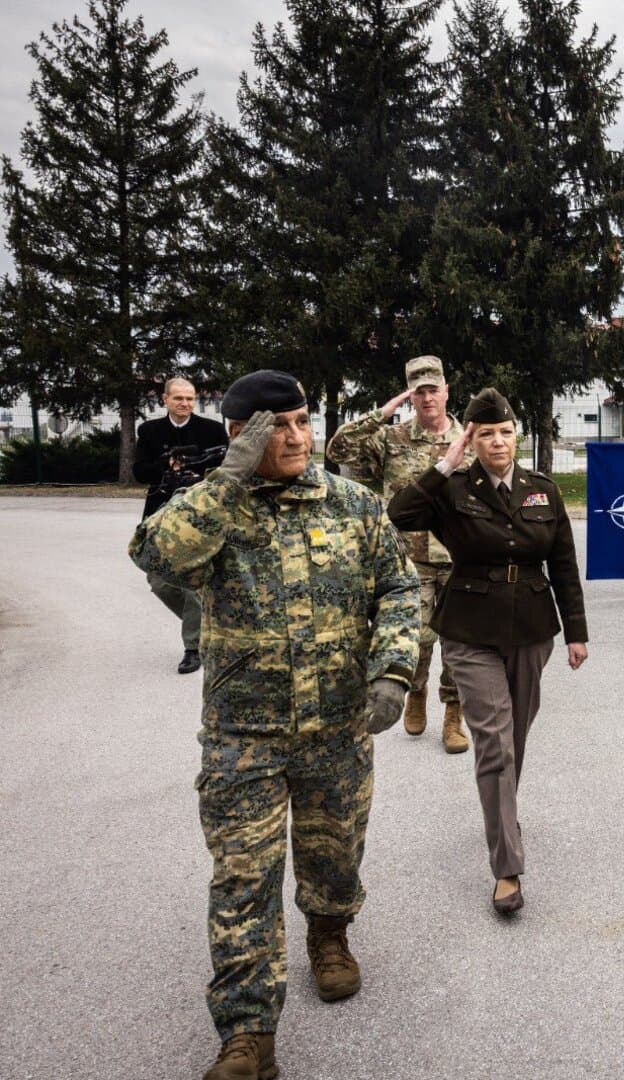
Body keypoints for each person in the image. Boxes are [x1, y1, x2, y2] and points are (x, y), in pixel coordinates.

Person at [129, 370, 419, 1080]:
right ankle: (248, 1032)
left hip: (336, 730)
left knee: (334, 857)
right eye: (277, 426)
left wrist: (392, 669)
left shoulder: (353, 505)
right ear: (240, 434)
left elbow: (400, 587)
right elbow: (155, 556)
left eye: (301, 421)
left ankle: (328, 933)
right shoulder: (214, 510)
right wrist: (226, 480)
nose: (295, 437)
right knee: (242, 881)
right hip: (243, 737)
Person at [388, 387, 588, 916]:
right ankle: (507, 867)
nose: (497, 442)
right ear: (470, 439)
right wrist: (442, 465)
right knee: (495, 742)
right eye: (485, 434)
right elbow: (397, 514)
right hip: (470, 630)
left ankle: (502, 814)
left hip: (531, 627)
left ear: (516, 435)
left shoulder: (541, 490)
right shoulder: (450, 489)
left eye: (505, 432)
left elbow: (564, 565)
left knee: (514, 737)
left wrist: (576, 632)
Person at [327, 355, 469, 752]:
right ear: (410, 396)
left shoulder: (467, 440)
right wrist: (383, 412)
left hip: (461, 559)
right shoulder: (391, 440)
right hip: (409, 561)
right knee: (419, 640)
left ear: (446, 391)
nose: (427, 398)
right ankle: (418, 692)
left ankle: (454, 714)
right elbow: (340, 449)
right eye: (418, 391)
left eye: (432, 390)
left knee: (458, 642)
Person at [131, 377, 229, 674]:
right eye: (179, 399)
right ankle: (207, 624)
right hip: (161, 511)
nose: (185, 404)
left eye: (190, 398)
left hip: (200, 513)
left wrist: (199, 473)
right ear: (165, 400)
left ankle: (193, 647)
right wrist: (168, 465)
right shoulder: (149, 431)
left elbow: (226, 469)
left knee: (190, 582)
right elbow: (139, 472)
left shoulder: (212, 430)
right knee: (159, 580)